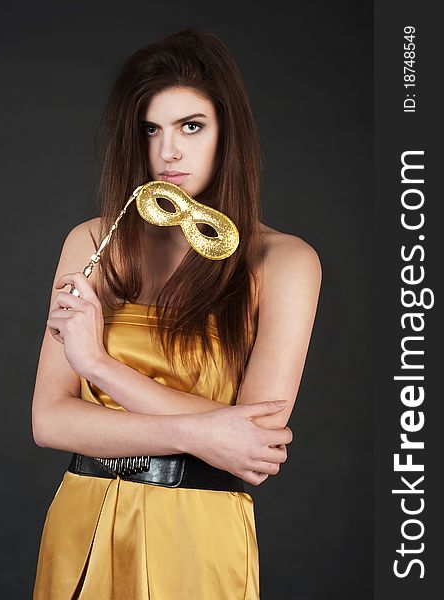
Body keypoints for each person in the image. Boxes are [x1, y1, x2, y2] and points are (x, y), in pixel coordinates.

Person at [32, 28, 321, 600]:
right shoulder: (93, 242)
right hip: (82, 523)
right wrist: (197, 431)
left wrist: (98, 364)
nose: (169, 151)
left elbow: (252, 450)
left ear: (226, 134)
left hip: (196, 533)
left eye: (191, 126)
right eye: (150, 130)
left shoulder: (285, 261)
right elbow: (49, 422)